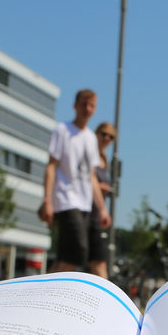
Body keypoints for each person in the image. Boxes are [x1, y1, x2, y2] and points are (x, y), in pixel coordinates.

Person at [39, 89, 109, 273]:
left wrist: (102, 208)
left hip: (85, 204)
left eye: (91, 105)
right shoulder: (62, 130)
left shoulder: (91, 138)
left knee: (65, 257)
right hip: (66, 199)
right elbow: (51, 166)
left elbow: (91, 175)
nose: (87, 109)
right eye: (84, 104)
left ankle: (41, 295)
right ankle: (53, 296)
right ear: (75, 106)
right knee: (77, 253)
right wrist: (47, 201)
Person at [86, 122, 116, 279]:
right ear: (96, 133)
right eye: (103, 134)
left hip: (96, 216)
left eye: (111, 136)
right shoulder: (89, 154)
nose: (106, 138)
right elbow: (86, 179)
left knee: (98, 261)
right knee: (70, 261)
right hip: (84, 211)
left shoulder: (104, 158)